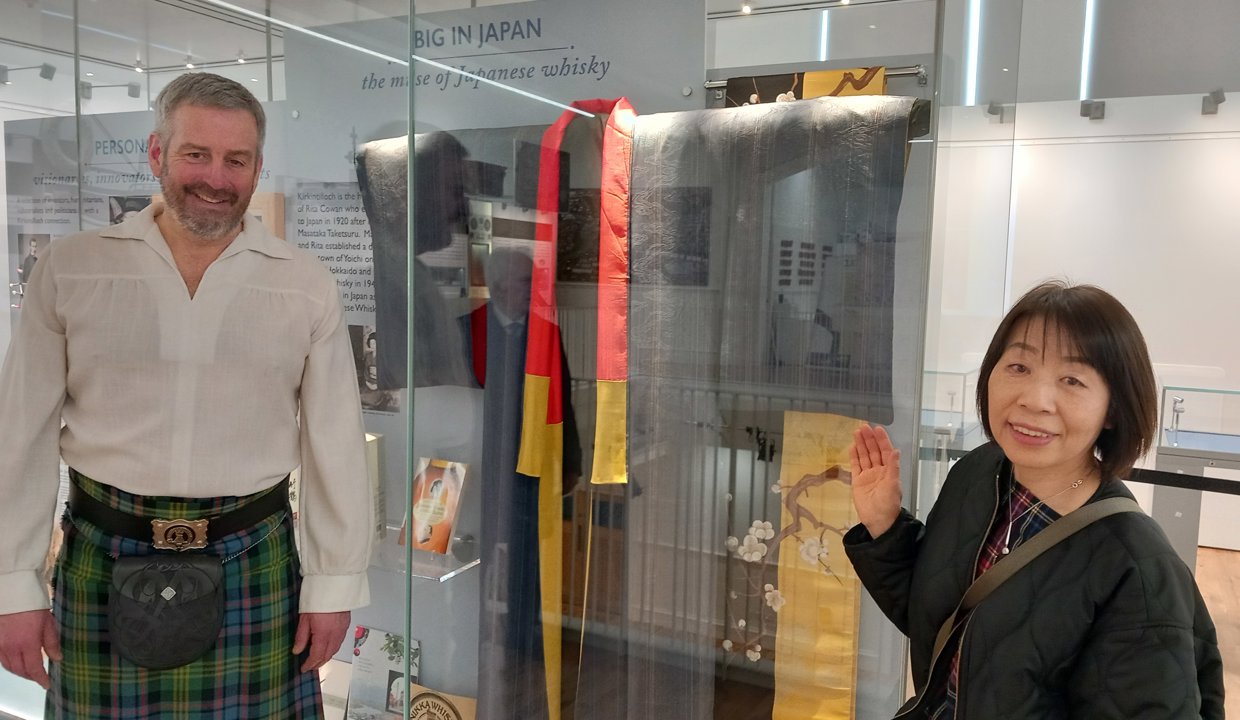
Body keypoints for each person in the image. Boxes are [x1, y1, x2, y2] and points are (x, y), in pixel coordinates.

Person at [0, 72, 372, 718]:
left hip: (254, 562)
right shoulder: (73, 269)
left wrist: (334, 583)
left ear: (258, 168)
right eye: (195, 154)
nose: (215, 179)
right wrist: (12, 585)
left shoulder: (305, 285)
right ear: (156, 154)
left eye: (236, 160)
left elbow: (335, 444)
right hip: (101, 556)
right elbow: (20, 437)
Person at [844, 280, 1224, 719]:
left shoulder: (1134, 569)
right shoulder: (979, 474)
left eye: (1072, 380)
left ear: (1114, 409)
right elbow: (944, 626)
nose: (1035, 400)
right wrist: (885, 526)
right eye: (1019, 367)